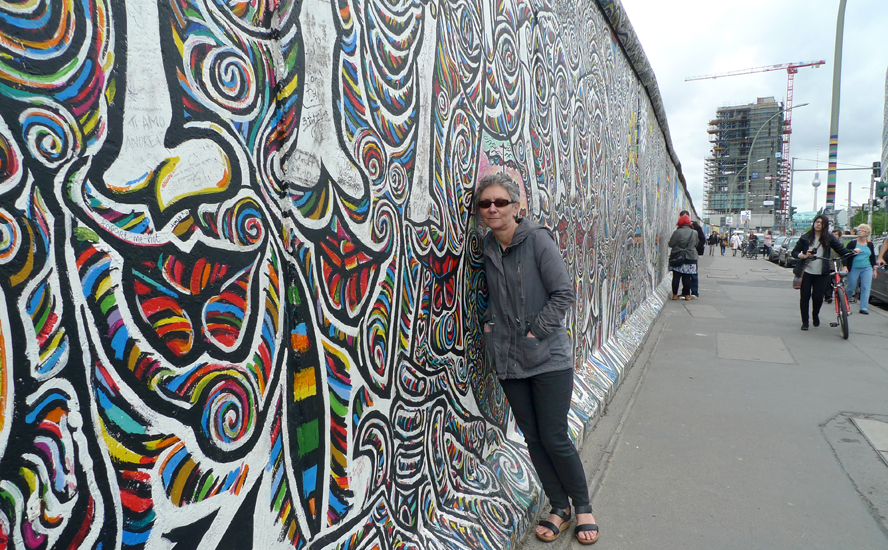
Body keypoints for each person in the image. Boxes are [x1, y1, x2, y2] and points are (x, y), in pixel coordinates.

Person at [476, 173, 598, 545]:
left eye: (500, 202)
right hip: (509, 361)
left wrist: (534, 332)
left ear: (516, 207)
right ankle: (558, 507)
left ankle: (583, 507)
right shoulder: (487, 246)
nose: (493, 209)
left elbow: (563, 293)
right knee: (532, 437)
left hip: (548, 358)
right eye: (485, 204)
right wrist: (490, 330)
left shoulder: (537, 240)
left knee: (555, 436)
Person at [791, 214, 847, 331]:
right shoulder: (806, 237)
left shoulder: (829, 238)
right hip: (806, 271)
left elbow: (841, 250)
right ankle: (805, 322)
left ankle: (815, 314)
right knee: (804, 298)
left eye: (821, 222)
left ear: (825, 225)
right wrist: (803, 255)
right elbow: (794, 252)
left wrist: (853, 251)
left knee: (817, 298)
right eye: (816, 221)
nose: (818, 224)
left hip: (822, 273)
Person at [844, 224, 876, 315]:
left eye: (863, 230)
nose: (860, 231)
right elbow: (845, 255)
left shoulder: (869, 244)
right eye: (859, 230)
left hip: (867, 267)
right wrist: (845, 266)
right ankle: (845, 303)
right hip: (854, 267)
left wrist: (874, 268)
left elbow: (872, 257)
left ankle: (863, 307)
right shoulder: (852, 243)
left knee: (866, 287)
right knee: (851, 287)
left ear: (867, 233)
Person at [668, 214, 699, 300]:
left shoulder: (678, 232)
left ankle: (674, 295)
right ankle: (687, 295)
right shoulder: (694, 232)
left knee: (676, 277)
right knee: (687, 277)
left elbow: (671, 244)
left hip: (678, 256)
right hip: (690, 257)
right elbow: (696, 244)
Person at [680, 210, 705, 298]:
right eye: (683, 216)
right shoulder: (680, 227)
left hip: (692, 254)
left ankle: (694, 292)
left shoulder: (696, 227)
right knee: (684, 273)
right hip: (683, 254)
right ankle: (685, 292)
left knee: (693, 274)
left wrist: (696, 248)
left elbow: (702, 239)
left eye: (686, 216)